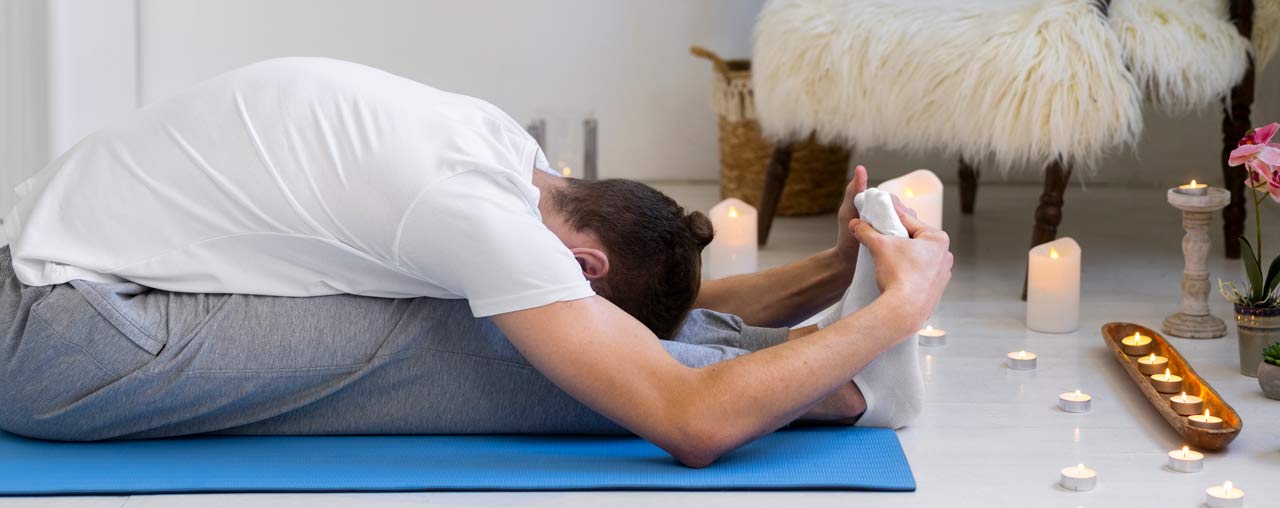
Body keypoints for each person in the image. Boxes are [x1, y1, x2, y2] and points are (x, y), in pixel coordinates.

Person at [0, 58, 952, 467]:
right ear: (583, 264)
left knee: (523, 325)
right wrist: (891, 321)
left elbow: (641, 324)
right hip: (57, 336)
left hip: (61, 282)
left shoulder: (502, 154)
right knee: (462, 344)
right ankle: (853, 390)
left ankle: (808, 354)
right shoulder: (468, 213)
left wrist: (836, 275)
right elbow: (687, 422)